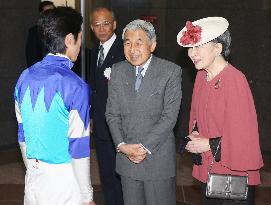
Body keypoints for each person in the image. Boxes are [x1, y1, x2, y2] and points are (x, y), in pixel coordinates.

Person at [177, 17, 264, 204]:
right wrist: (195, 134)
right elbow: (197, 116)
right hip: (210, 168)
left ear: (218, 48)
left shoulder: (234, 80)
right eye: (190, 48)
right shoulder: (202, 76)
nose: (192, 53)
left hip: (232, 173)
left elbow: (244, 136)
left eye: (198, 47)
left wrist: (209, 144)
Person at [14, 7, 96, 205]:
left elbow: (22, 133)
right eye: (79, 38)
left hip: (33, 178)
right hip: (64, 182)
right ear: (69, 39)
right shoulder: (76, 85)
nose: (80, 44)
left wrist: (34, 169)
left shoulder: (24, 77)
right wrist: (86, 196)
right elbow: (79, 145)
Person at [105, 19, 182, 205]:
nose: (133, 49)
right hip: (127, 158)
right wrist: (122, 145)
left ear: (152, 45)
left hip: (157, 158)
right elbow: (112, 114)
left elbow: (169, 117)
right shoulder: (118, 70)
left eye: (139, 42)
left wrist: (143, 148)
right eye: (127, 43)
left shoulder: (170, 71)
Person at [89, 7, 125, 205]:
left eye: (106, 24)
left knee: (119, 173)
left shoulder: (124, 49)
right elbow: (96, 88)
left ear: (114, 24)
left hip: (118, 124)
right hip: (100, 124)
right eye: (97, 25)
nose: (102, 29)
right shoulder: (95, 50)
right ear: (92, 28)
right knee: (105, 171)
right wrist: (93, 116)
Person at [25, 1, 55, 67]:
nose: (51, 13)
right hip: (43, 72)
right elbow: (31, 58)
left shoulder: (62, 29)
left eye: (53, 11)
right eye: (48, 11)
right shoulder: (34, 32)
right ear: (41, 14)